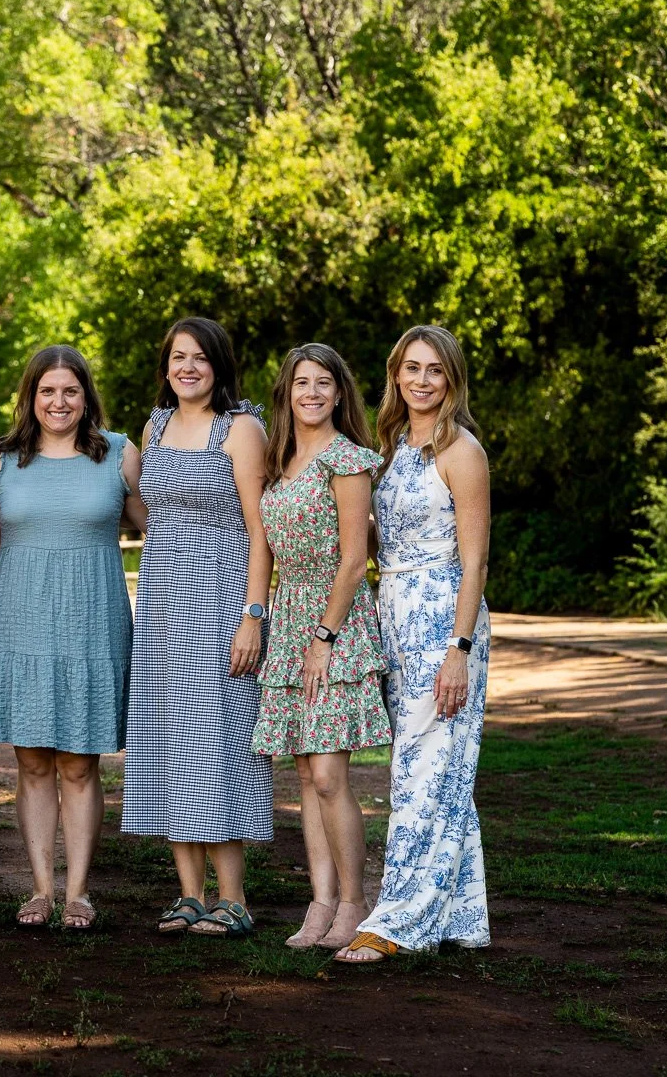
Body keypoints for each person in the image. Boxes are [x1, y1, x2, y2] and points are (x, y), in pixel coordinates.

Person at [0, 344, 143, 931]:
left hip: (93, 622)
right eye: (47, 391)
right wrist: (34, 556)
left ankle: (79, 893)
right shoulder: (1, 457)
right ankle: (40, 890)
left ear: (86, 396)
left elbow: (159, 529)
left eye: (70, 391)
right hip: (18, 619)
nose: (59, 401)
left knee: (79, 761)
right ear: (31, 397)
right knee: (33, 762)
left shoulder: (120, 453)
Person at [338, 324, 492, 963]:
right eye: (411, 368)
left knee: (420, 771)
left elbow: (477, 560)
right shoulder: (393, 443)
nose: (422, 380)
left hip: (445, 621)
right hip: (394, 615)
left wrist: (458, 646)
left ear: (450, 380)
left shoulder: (462, 451)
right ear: (396, 375)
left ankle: (397, 920)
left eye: (435, 371)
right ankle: (462, 914)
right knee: (438, 766)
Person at [122, 317, 274, 939]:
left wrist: (253, 616)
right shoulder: (154, 427)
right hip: (161, 600)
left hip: (220, 599)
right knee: (168, 741)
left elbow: (260, 531)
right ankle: (188, 894)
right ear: (166, 366)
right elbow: (144, 509)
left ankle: (232, 898)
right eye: (178, 357)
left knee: (219, 741)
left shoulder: (240, 429)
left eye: (200, 358)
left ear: (219, 366)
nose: (188, 367)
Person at [251, 345, 391, 951]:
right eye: (300, 383)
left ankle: (356, 902)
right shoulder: (279, 462)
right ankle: (321, 901)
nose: (311, 392)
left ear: (339, 393)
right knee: (306, 773)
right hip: (289, 616)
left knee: (331, 773)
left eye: (323, 383)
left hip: (335, 621)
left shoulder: (348, 459)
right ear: (286, 392)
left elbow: (357, 560)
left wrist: (323, 638)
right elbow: (267, 548)